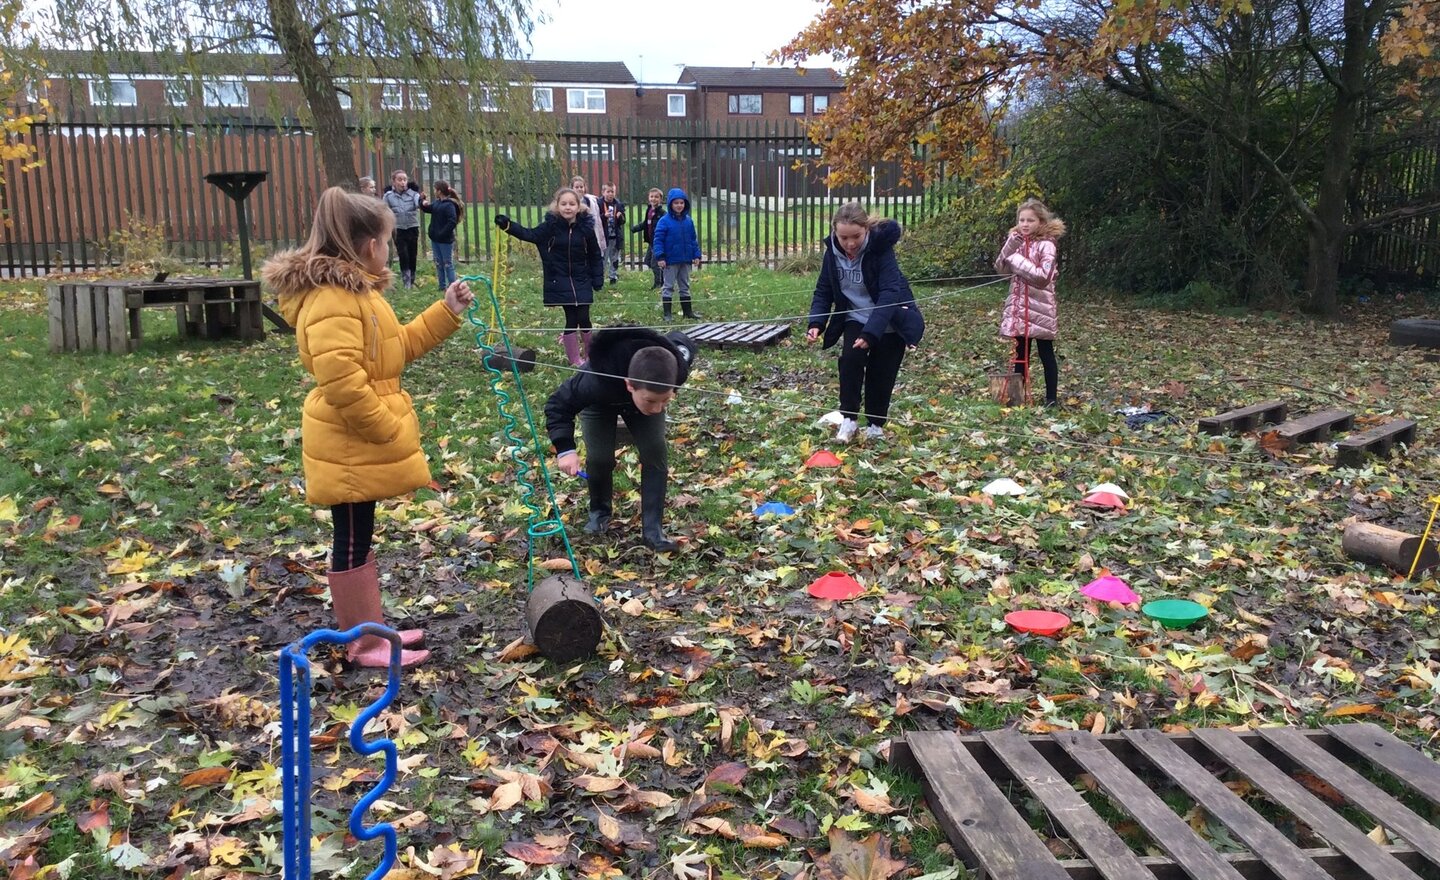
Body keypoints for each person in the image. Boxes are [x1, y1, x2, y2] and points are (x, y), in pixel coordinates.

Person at [262, 187, 474, 668]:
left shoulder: (359, 293)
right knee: (352, 539)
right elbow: (342, 382)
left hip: (356, 440)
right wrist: (384, 428)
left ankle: (371, 628)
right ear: (366, 247)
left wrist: (446, 311)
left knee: (359, 536)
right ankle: (362, 643)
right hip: (349, 441)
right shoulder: (333, 300)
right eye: (386, 239)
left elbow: (393, 350)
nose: (391, 247)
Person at [544, 327, 697, 553]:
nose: (657, 409)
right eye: (652, 401)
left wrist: (655, 400)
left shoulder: (675, 370)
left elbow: (681, 342)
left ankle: (653, 531)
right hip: (600, 403)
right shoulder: (594, 380)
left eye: (665, 400)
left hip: (637, 399)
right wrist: (565, 449)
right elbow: (558, 405)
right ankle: (599, 514)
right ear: (629, 385)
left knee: (654, 449)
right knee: (599, 458)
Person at [806, 202, 925, 443]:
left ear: (866, 230)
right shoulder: (832, 253)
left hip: (889, 319)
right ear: (834, 233)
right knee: (850, 361)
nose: (850, 243)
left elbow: (890, 293)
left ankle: (875, 425)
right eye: (843, 237)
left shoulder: (881, 250)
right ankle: (849, 421)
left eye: (856, 236)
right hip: (855, 317)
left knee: (882, 372)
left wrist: (872, 333)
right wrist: (816, 321)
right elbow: (824, 289)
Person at [494, 187, 603, 366]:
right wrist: (508, 225)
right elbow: (529, 234)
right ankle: (575, 359)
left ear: (578, 206)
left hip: (582, 278)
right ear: (557, 206)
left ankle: (591, 356)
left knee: (584, 318)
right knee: (572, 319)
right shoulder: (550, 227)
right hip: (560, 279)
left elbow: (595, 254)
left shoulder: (586, 228)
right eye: (564, 204)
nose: (568, 207)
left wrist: (598, 277)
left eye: (572, 204)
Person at [995, 197, 1065, 406]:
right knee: (1020, 353)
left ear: (1041, 222)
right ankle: (1018, 397)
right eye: (1022, 220)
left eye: (1030, 220)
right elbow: (1001, 268)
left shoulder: (1047, 244)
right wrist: (1010, 248)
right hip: (1019, 305)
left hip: (1040, 307)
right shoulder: (1016, 241)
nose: (1025, 224)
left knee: (1045, 353)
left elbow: (1043, 277)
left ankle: (1051, 399)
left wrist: (1016, 261)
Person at [652, 187, 702, 322]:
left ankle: (688, 311)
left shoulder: (688, 221)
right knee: (668, 286)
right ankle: (667, 313)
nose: (679, 205)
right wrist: (660, 256)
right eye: (676, 203)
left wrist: (696, 255)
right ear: (670, 204)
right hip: (670, 260)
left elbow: (693, 239)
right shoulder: (664, 221)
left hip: (685, 260)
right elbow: (658, 240)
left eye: (681, 203)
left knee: (685, 286)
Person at [383, 170, 427, 288]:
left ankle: (412, 280)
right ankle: (406, 281)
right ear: (394, 181)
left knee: (412, 255)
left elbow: (418, 203)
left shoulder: (413, 194)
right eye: (400, 180)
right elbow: (384, 211)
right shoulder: (388, 196)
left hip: (412, 227)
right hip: (398, 229)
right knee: (403, 255)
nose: (403, 182)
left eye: (405, 179)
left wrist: (423, 201)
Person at [422, 180, 464, 291]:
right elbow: (427, 209)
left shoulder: (449, 205)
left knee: (447, 264)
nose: (434, 191)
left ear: (439, 191)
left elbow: (452, 221)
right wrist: (422, 200)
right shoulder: (437, 203)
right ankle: (442, 286)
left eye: (435, 189)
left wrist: (442, 233)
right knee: (438, 263)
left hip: (445, 241)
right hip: (435, 239)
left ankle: (453, 287)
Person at [632, 187, 665, 291]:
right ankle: (663, 275)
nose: (653, 199)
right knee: (647, 261)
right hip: (651, 242)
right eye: (651, 196)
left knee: (655, 264)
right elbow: (646, 223)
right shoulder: (649, 210)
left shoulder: (662, 214)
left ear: (661, 199)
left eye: (656, 197)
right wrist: (636, 228)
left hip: (658, 243)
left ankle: (658, 283)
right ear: (648, 198)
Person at [570, 176, 607, 254]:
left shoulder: (590, 201)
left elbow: (597, 220)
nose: (579, 189)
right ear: (572, 188)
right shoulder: (569, 202)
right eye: (576, 187)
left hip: (590, 233)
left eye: (581, 187)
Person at [598, 183, 625, 285]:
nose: (610, 194)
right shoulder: (599, 204)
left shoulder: (618, 204)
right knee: (603, 258)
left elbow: (623, 221)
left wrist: (620, 217)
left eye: (612, 191)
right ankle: (600, 277)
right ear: (603, 192)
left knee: (615, 258)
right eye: (608, 191)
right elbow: (596, 219)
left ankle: (613, 276)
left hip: (615, 236)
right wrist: (604, 216)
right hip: (603, 237)